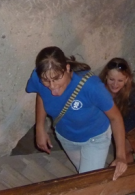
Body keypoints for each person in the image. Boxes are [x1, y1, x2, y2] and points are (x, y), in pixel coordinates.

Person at [26, 47, 127, 182]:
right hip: (67, 137)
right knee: (85, 175)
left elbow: (115, 117)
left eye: (56, 78)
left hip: (95, 138)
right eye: (46, 81)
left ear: (67, 68)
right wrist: (40, 127)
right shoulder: (38, 77)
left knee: (88, 183)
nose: (52, 86)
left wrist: (121, 156)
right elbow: (41, 95)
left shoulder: (92, 86)